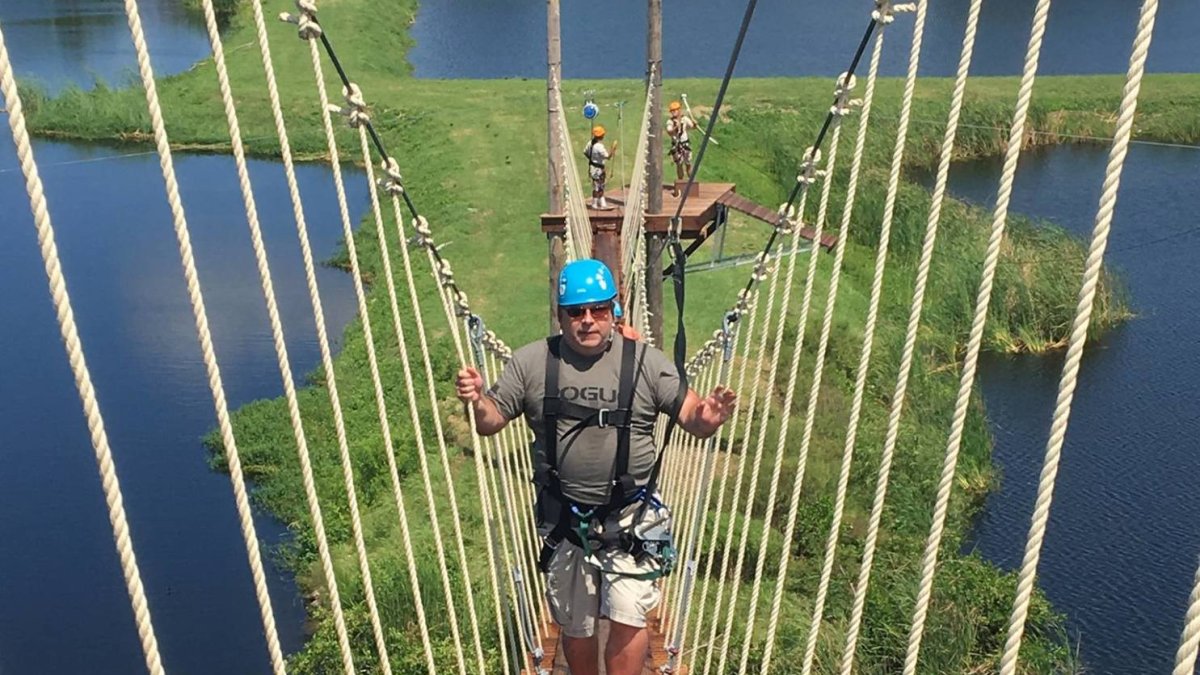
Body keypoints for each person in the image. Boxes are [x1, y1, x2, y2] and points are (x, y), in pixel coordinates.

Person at [454, 259, 736, 675]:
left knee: (629, 615)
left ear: (613, 310)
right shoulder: (531, 363)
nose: (587, 319)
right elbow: (490, 421)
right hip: (565, 519)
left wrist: (708, 417)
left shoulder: (646, 363)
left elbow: (693, 416)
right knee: (576, 624)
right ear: (560, 315)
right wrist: (478, 400)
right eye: (576, 311)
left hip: (632, 515)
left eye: (598, 309)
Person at [665, 100, 698, 195]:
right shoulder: (670, 122)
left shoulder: (685, 119)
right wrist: (676, 127)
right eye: (672, 111)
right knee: (679, 164)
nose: (673, 112)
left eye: (675, 110)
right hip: (676, 145)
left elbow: (692, 127)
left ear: (679, 110)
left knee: (688, 164)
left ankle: (692, 182)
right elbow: (670, 132)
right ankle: (681, 183)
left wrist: (695, 124)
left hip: (685, 144)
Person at [583, 126, 617, 210]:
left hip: (592, 167)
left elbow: (585, 152)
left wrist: (592, 159)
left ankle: (597, 203)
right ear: (601, 136)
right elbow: (608, 157)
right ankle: (600, 204)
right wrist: (613, 148)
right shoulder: (599, 146)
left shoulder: (590, 143)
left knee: (596, 186)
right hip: (599, 169)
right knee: (600, 186)